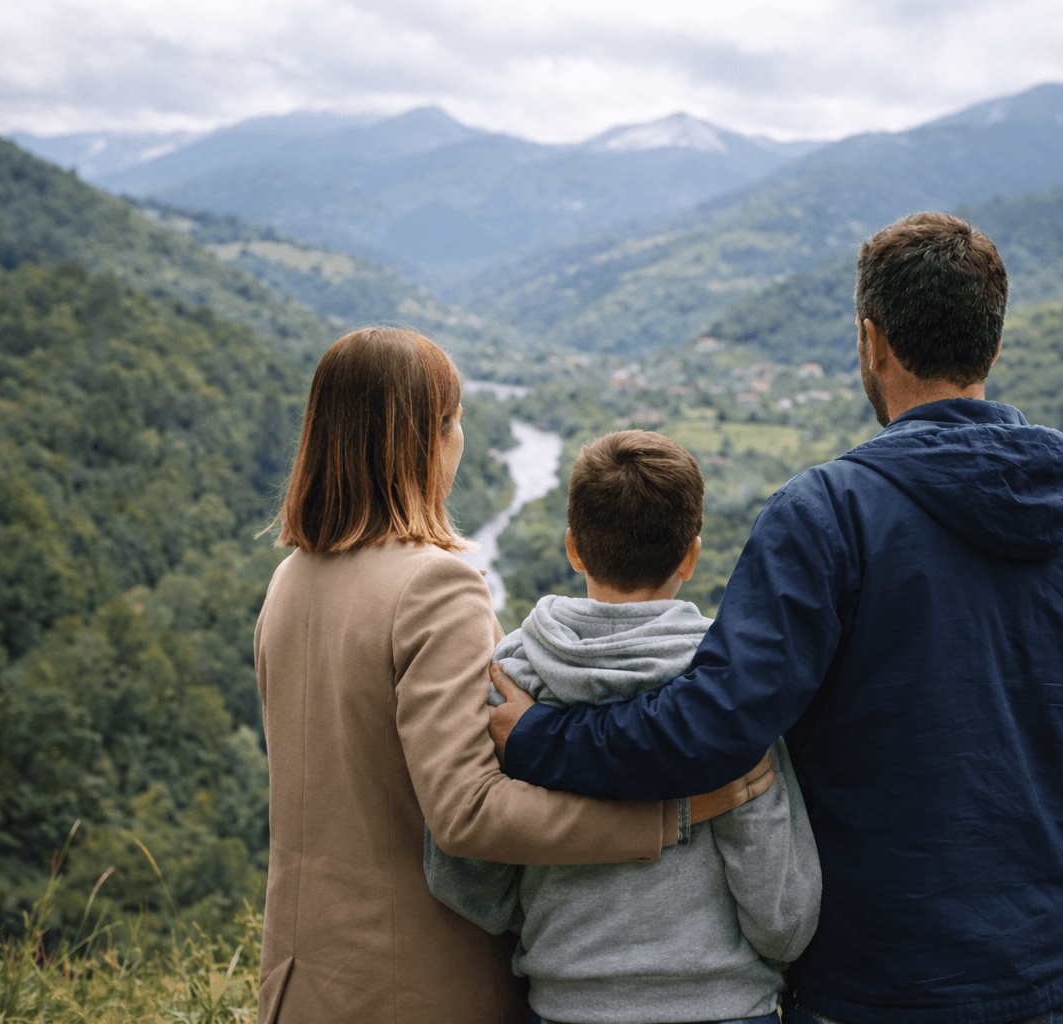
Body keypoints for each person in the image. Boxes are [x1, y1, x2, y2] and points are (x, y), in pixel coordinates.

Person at [488, 213, 1063, 1024]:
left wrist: (539, 740)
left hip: (868, 979)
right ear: (991, 344)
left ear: (871, 341)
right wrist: (1044, 874)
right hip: (1041, 975)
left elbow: (716, 727)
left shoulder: (830, 515)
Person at [252, 327, 775, 1024]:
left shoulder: (289, 582)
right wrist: (664, 818)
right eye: (455, 420)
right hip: (414, 983)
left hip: (300, 978)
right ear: (426, 439)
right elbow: (468, 812)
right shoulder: (433, 585)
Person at [425, 430, 822, 1024]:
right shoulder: (728, 688)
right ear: (691, 554)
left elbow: (469, 882)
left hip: (566, 1004)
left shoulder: (512, 680)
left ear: (573, 548)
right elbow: (783, 920)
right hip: (725, 1007)